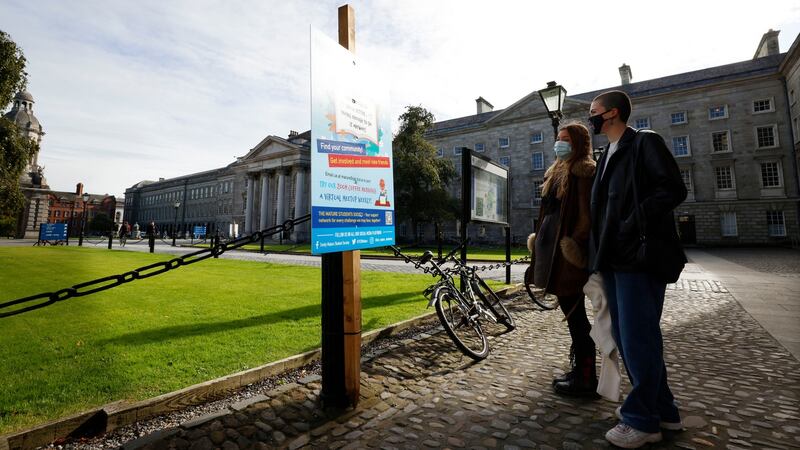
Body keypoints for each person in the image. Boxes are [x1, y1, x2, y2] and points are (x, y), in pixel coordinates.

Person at [587, 90, 687, 448]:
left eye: (594, 112)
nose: (591, 117)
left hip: (639, 257)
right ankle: (665, 411)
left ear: (612, 113)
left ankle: (642, 420)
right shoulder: (606, 154)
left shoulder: (645, 142)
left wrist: (632, 221)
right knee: (630, 340)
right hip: (614, 259)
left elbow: (673, 189)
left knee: (638, 339)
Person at [530, 122, 597, 397]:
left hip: (567, 253)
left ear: (578, 142)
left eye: (566, 139)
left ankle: (586, 378)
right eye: (558, 138)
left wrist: (574, 246)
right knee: (572, 315)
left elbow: (585, 217)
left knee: (576, 316)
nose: (560, 143)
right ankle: (581, 370)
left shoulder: (583, 171)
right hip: (553, 250)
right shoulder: (556, 171)